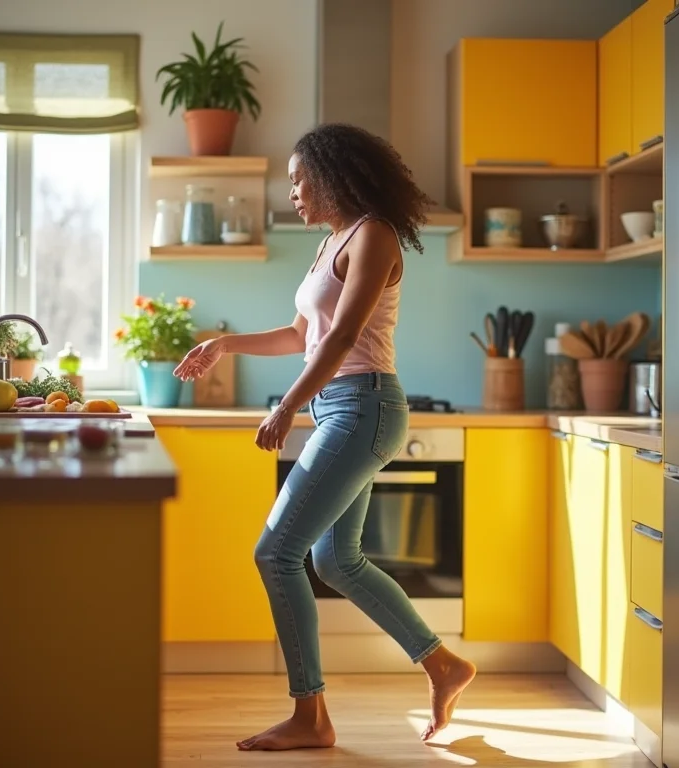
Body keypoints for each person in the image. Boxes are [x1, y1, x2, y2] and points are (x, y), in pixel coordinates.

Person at [174, 123, 477, 752]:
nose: (292, 195)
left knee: (275, 552)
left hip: (363, 408)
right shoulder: (331, 242)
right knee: (334, 559)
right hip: (343, 408)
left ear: (332, 174)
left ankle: (310, 714)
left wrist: (287, 406)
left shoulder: (374, 235)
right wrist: (225, 343)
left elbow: (341, 339)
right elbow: (300, 334)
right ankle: (442, 663)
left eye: (297, 181)